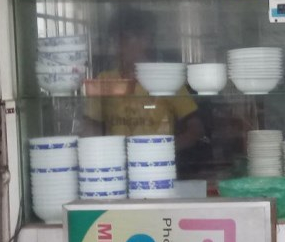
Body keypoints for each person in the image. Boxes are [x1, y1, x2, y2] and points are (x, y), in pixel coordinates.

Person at [82, 8, 203, 155]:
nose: (119, 45)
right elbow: (90, 124)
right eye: (115, 39)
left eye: (126, 38)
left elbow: (195, 128)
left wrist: (163, 149)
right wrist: (102, 149)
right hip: (116, 161)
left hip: (157, 162)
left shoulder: (166, 78)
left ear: (146, 40)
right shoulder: (104, 79)